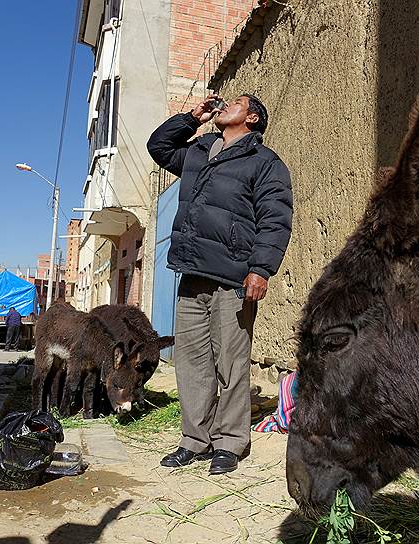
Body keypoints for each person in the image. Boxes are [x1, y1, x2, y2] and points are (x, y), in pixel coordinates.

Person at [147, 94, 293, 474]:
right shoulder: (199, 151)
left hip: (233, 277)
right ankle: (194, 440)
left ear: (253, 117)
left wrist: (261, 268)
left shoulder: (264, 163)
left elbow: (275, 218)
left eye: (238, 102)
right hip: (191, 272)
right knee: (192, 363)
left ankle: (229, 442)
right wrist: (192, 117)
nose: (226, 104)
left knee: (230, 361)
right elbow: (159, 147)